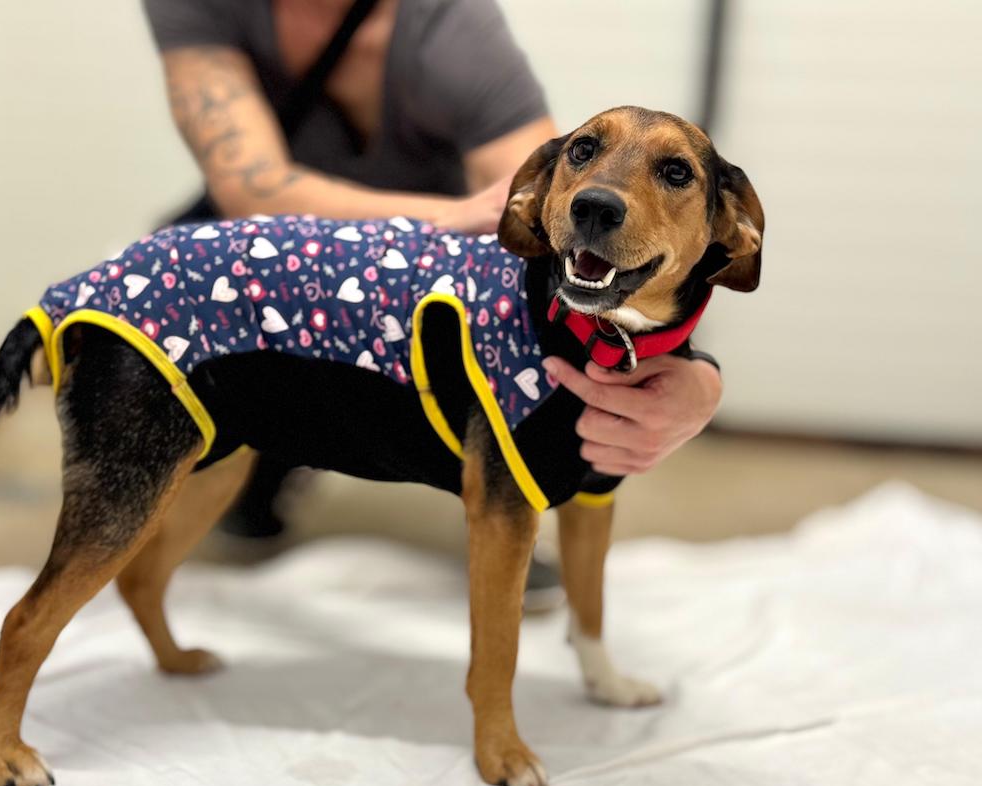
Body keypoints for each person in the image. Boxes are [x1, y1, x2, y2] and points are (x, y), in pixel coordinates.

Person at [143, 0, 722, 604]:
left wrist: (696, 372)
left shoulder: (452, 28)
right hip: (270, 269)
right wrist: (439, 221)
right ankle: (272, 457)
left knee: (516, 412)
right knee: (222, 447)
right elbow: (252, 189)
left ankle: (504, 485)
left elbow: (557, 215)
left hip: (427, 295)